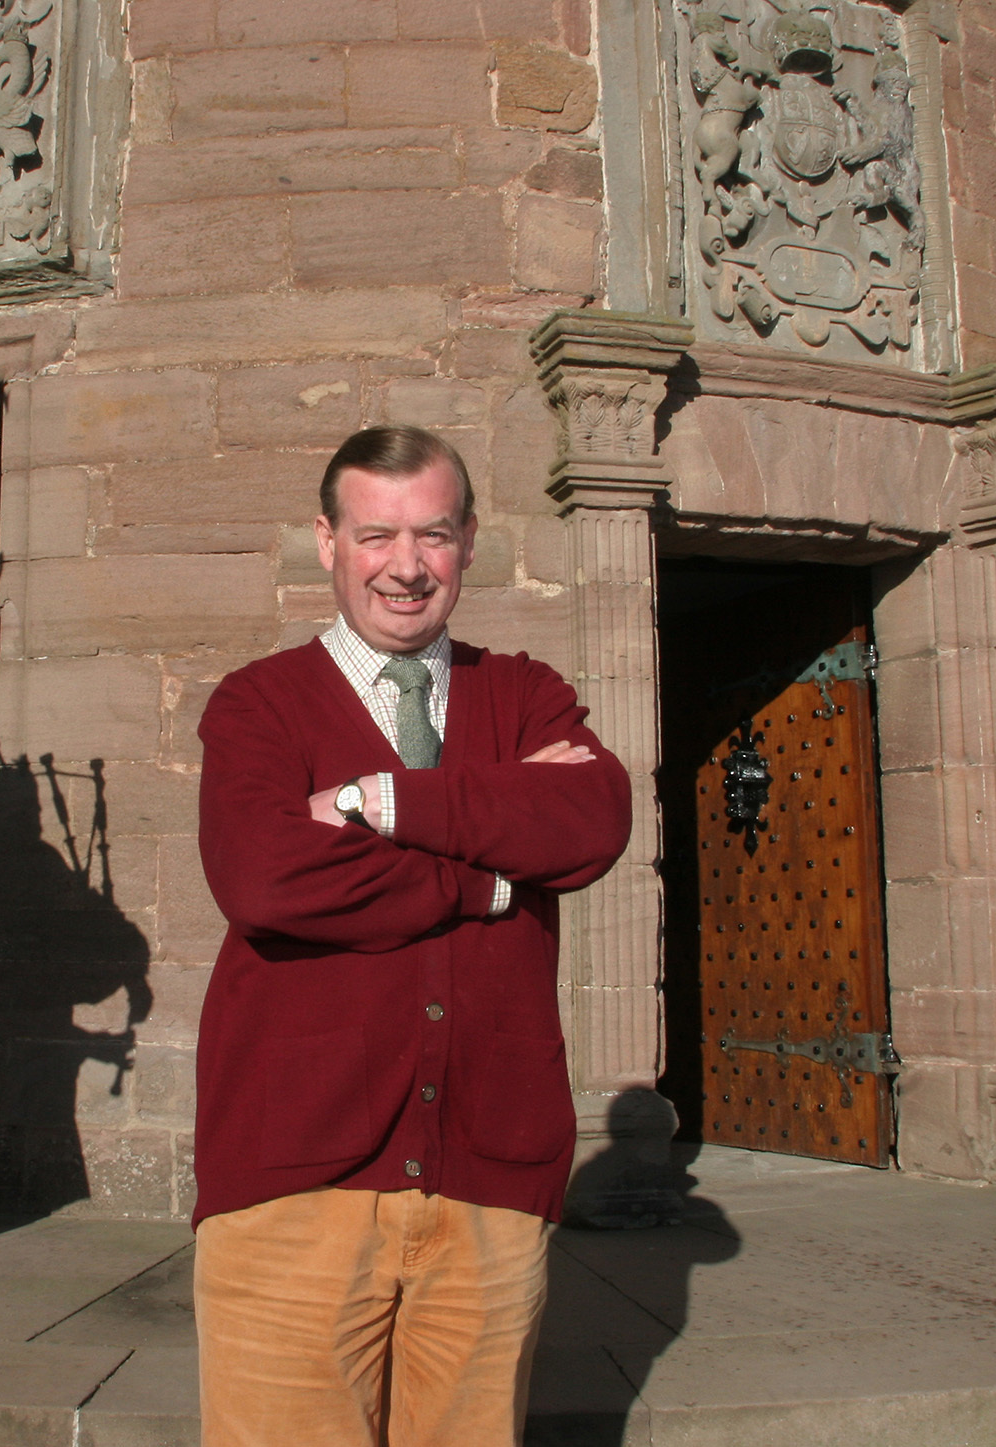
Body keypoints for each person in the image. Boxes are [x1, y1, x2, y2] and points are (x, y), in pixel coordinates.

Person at [192, 426, 632, 1445]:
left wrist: (375, 800)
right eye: (375, 534)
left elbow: (592, 821)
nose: (405, 566)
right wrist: (488, 877)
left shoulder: (523, 694)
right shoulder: (258, 704)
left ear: (470, 541)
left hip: (490, 1177)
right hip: (294, 1181)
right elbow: (264, 879)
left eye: (432, 534)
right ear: (327, 541)